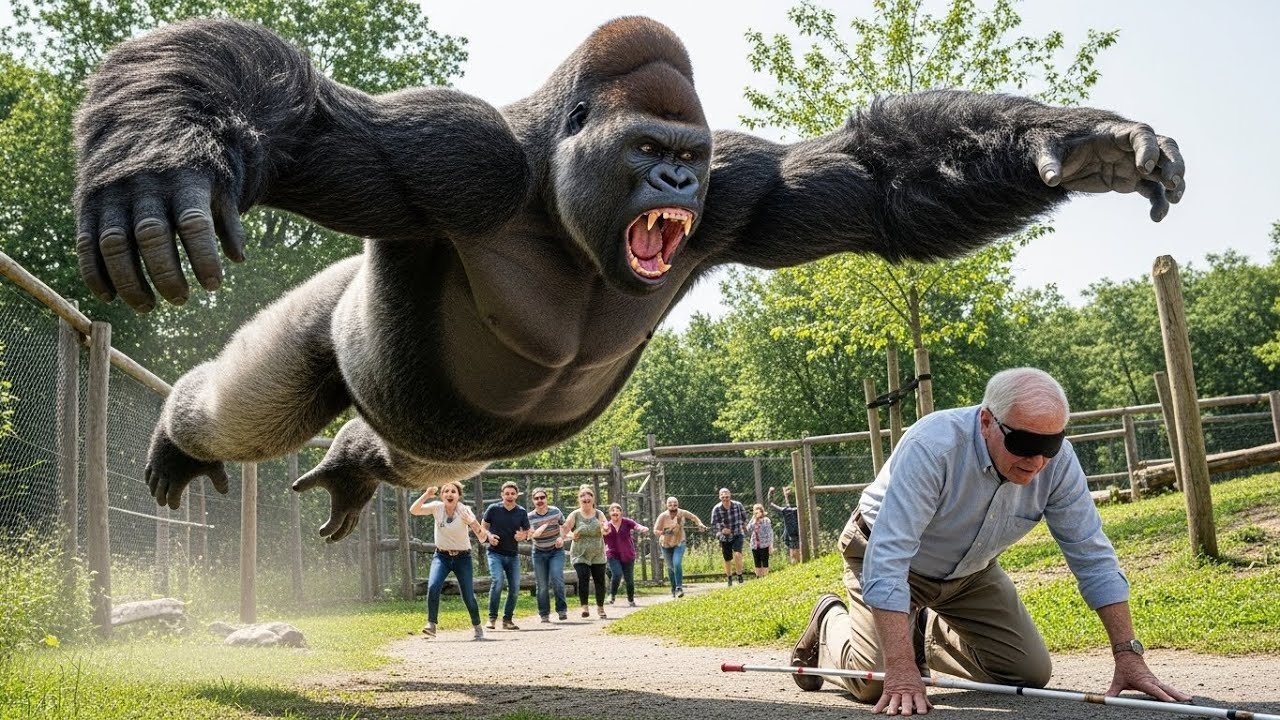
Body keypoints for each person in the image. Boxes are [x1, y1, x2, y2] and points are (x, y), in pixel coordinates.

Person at [790, 368, 1192, 716]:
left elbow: (1091, 553)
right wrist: (898, 665)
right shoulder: (933, 446)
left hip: (969, 573)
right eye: (1022, 443)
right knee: (875, 684)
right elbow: (889, 557)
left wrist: (1128, 654)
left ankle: (919, 632)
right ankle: (830, 623)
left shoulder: (1059, 462)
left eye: (1049, 446)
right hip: (878, 555)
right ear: (986, 421)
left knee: (1028, 673)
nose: (1037, 461)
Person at [409, 481, 491, 641]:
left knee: (468, 595)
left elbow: (482, 538)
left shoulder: (464, 510)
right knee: (433, 586)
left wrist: (472, 522)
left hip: (463, 558)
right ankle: (431, 624)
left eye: (453, 491)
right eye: (446, 491)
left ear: (459, 495)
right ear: (442, 495)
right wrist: (426, 495)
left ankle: (477, 627)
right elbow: (414, 510)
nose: (449, 494)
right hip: (442, 556)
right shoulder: (436, 507)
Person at [481, 481, 530, 631]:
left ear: (517, 495)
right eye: (507, 493)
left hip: (512, 554)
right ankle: (491, 618)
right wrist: (489, 536)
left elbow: (528, 531)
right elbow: (483, 526)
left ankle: (507, 620)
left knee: (514, 587)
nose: (510, 496)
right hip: (495, 553)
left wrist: (523, 536)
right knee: (497, 581)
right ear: (502, 495)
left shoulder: (521, 512)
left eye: (512, 494)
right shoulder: (493, 509)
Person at [562, 485, 609, 619]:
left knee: (599, 580)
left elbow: (605, 526)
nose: (586, 497)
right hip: (579, 554)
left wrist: (605, 528)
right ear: (579, 499)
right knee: (583, 578)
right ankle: (584, 607)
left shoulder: (599, 514)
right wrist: (571, 535)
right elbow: (564, 529)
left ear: (593, 499)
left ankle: (600, 608)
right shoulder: (575, 515)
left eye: (589, 495)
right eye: (582, 495)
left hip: (597, 553)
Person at [527, 487, 569, 622]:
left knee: (557, 578)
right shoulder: (529, 517)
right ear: (533, 501)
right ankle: (544, 613)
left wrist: (561, 538)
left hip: (555, 551)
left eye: (542, 498)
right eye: (536, 498)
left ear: (546, 499)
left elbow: (564, 527)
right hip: (538, 552)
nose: (540, 500)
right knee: (542, 585)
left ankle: (562, 610)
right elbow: (531, 535)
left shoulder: (555, 511)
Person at [652, 496, 707, 598]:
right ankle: (673, 588)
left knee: (677, 563)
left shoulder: (682, 513)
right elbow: (655, 530)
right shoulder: (663, 516)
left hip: (679, 542)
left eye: (675, 504)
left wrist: (700, 524)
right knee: (670, 567)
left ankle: (679, 587)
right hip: (666, 544)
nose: (673, 506)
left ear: (678, 505)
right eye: (670, 504)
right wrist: (664, 532)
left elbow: (694, 517)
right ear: (666, 505)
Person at [603, 502, 650, 607]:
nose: (615, 513)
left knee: (629, 579)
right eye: (612, 511)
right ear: (610, 513)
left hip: (627, 554)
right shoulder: (607, 525)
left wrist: (643, 528)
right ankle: (612, 595)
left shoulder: (626, 522)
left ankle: (630, 599)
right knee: (617, 574)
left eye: (617, 511)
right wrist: (603, 530)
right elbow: (602, 533)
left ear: (621, 513)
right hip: (612, 554)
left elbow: (636, 525)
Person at [710, 488, 747, 586]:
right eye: (723, 497)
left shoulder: (738, 506)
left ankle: (740, 576)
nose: (725, 499)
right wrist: (721, 530)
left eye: (727, 497)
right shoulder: (716, 509)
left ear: (730, 496)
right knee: (727, 559)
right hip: (724, 537)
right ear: (719, 497)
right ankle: (729, 578)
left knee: (738, 554)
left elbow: (744, 518)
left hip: (737, 533)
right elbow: (713, 524)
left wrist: (742, 527)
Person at [768, 485, 802, 564]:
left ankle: (795, 564)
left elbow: (771, 504)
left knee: (793, 551)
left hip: (791, 534)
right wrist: (786, 496)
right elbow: (789, 504)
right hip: (798, 533)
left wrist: (770, 493)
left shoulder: (785, 511)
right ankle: (798, 563)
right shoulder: (800, 509)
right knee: (796, 549)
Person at [745, 503, 773, 579]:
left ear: (762, 511)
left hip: (764, 544)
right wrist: (754, 519)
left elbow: (770, 533)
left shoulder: (766, 520)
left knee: (764, 561)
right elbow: (748, 528)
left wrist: (770, 546)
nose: (757, 513)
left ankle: (765, 577)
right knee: (757, 561)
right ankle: (758, 577)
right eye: (755, 511)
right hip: (755, 544)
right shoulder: (753, 520)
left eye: (758, 511)